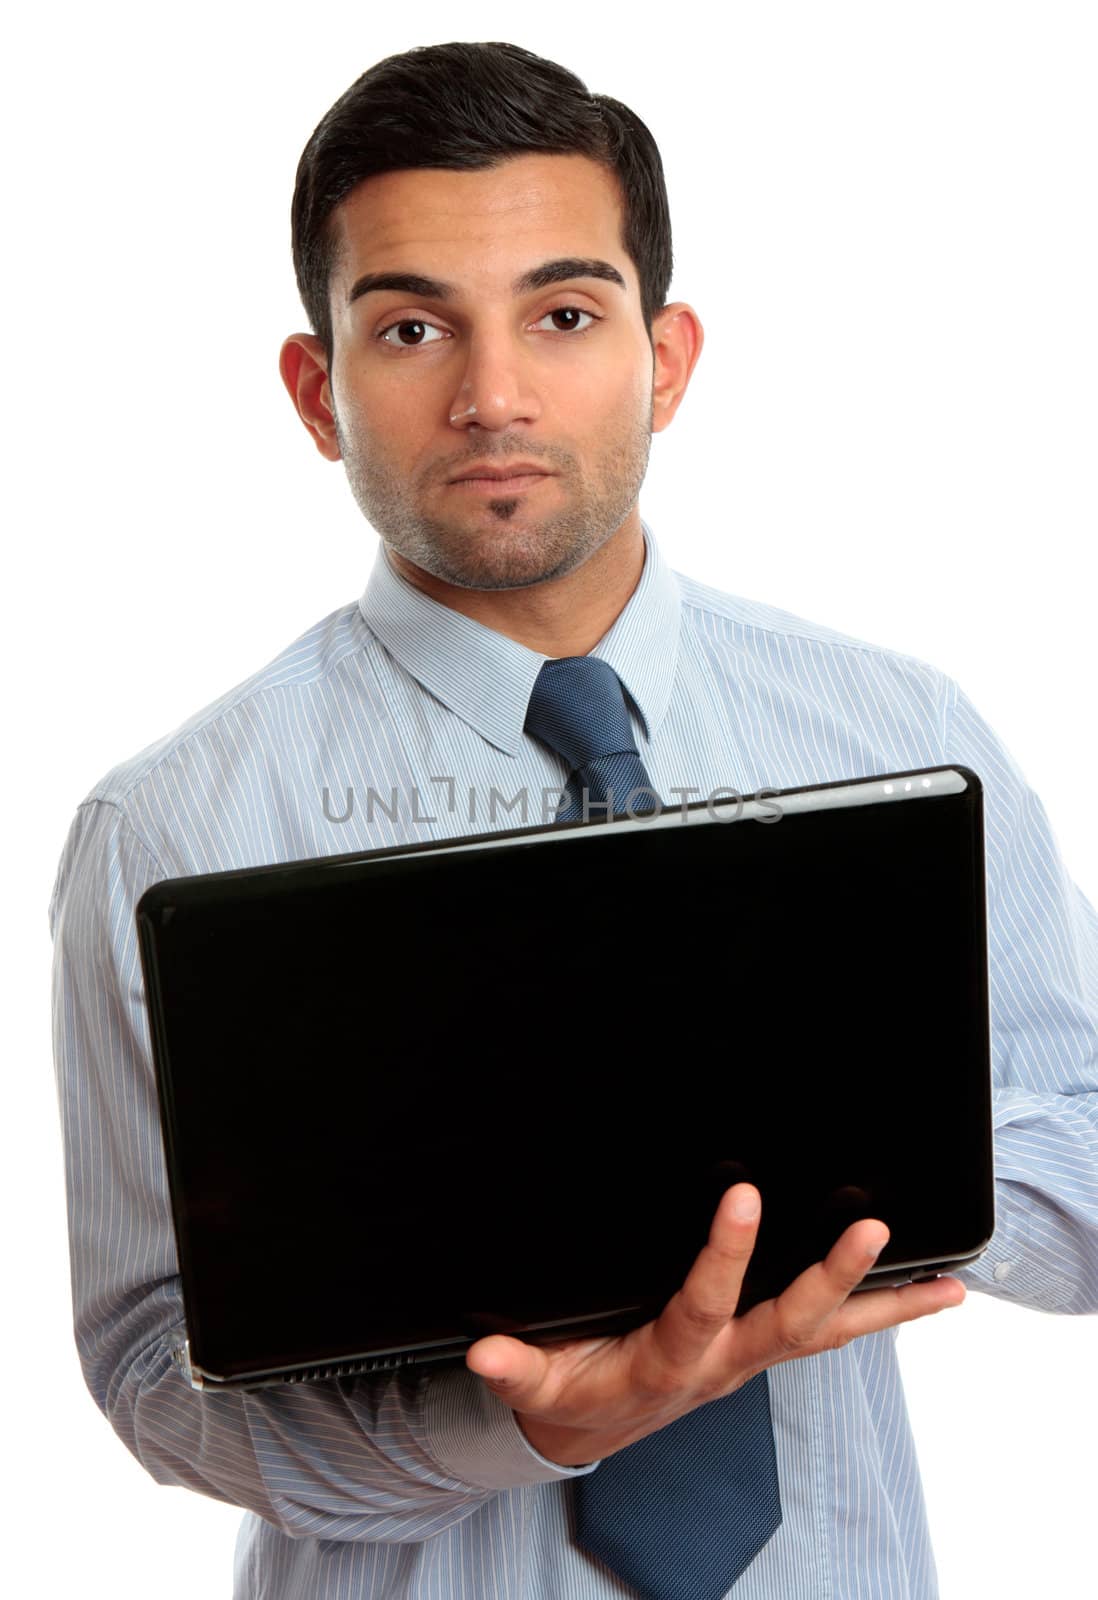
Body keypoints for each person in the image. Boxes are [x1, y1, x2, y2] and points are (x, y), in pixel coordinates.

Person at [49, 39, 1098, 1600]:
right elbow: (154, 1378)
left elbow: (1078, 1180)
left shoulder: (894, 736)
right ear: (314, 389)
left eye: (562, 314)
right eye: (410, 327)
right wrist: (529, 1426)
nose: (491, 395)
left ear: (663, 359)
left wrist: (856, 1167)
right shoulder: (172, 827)